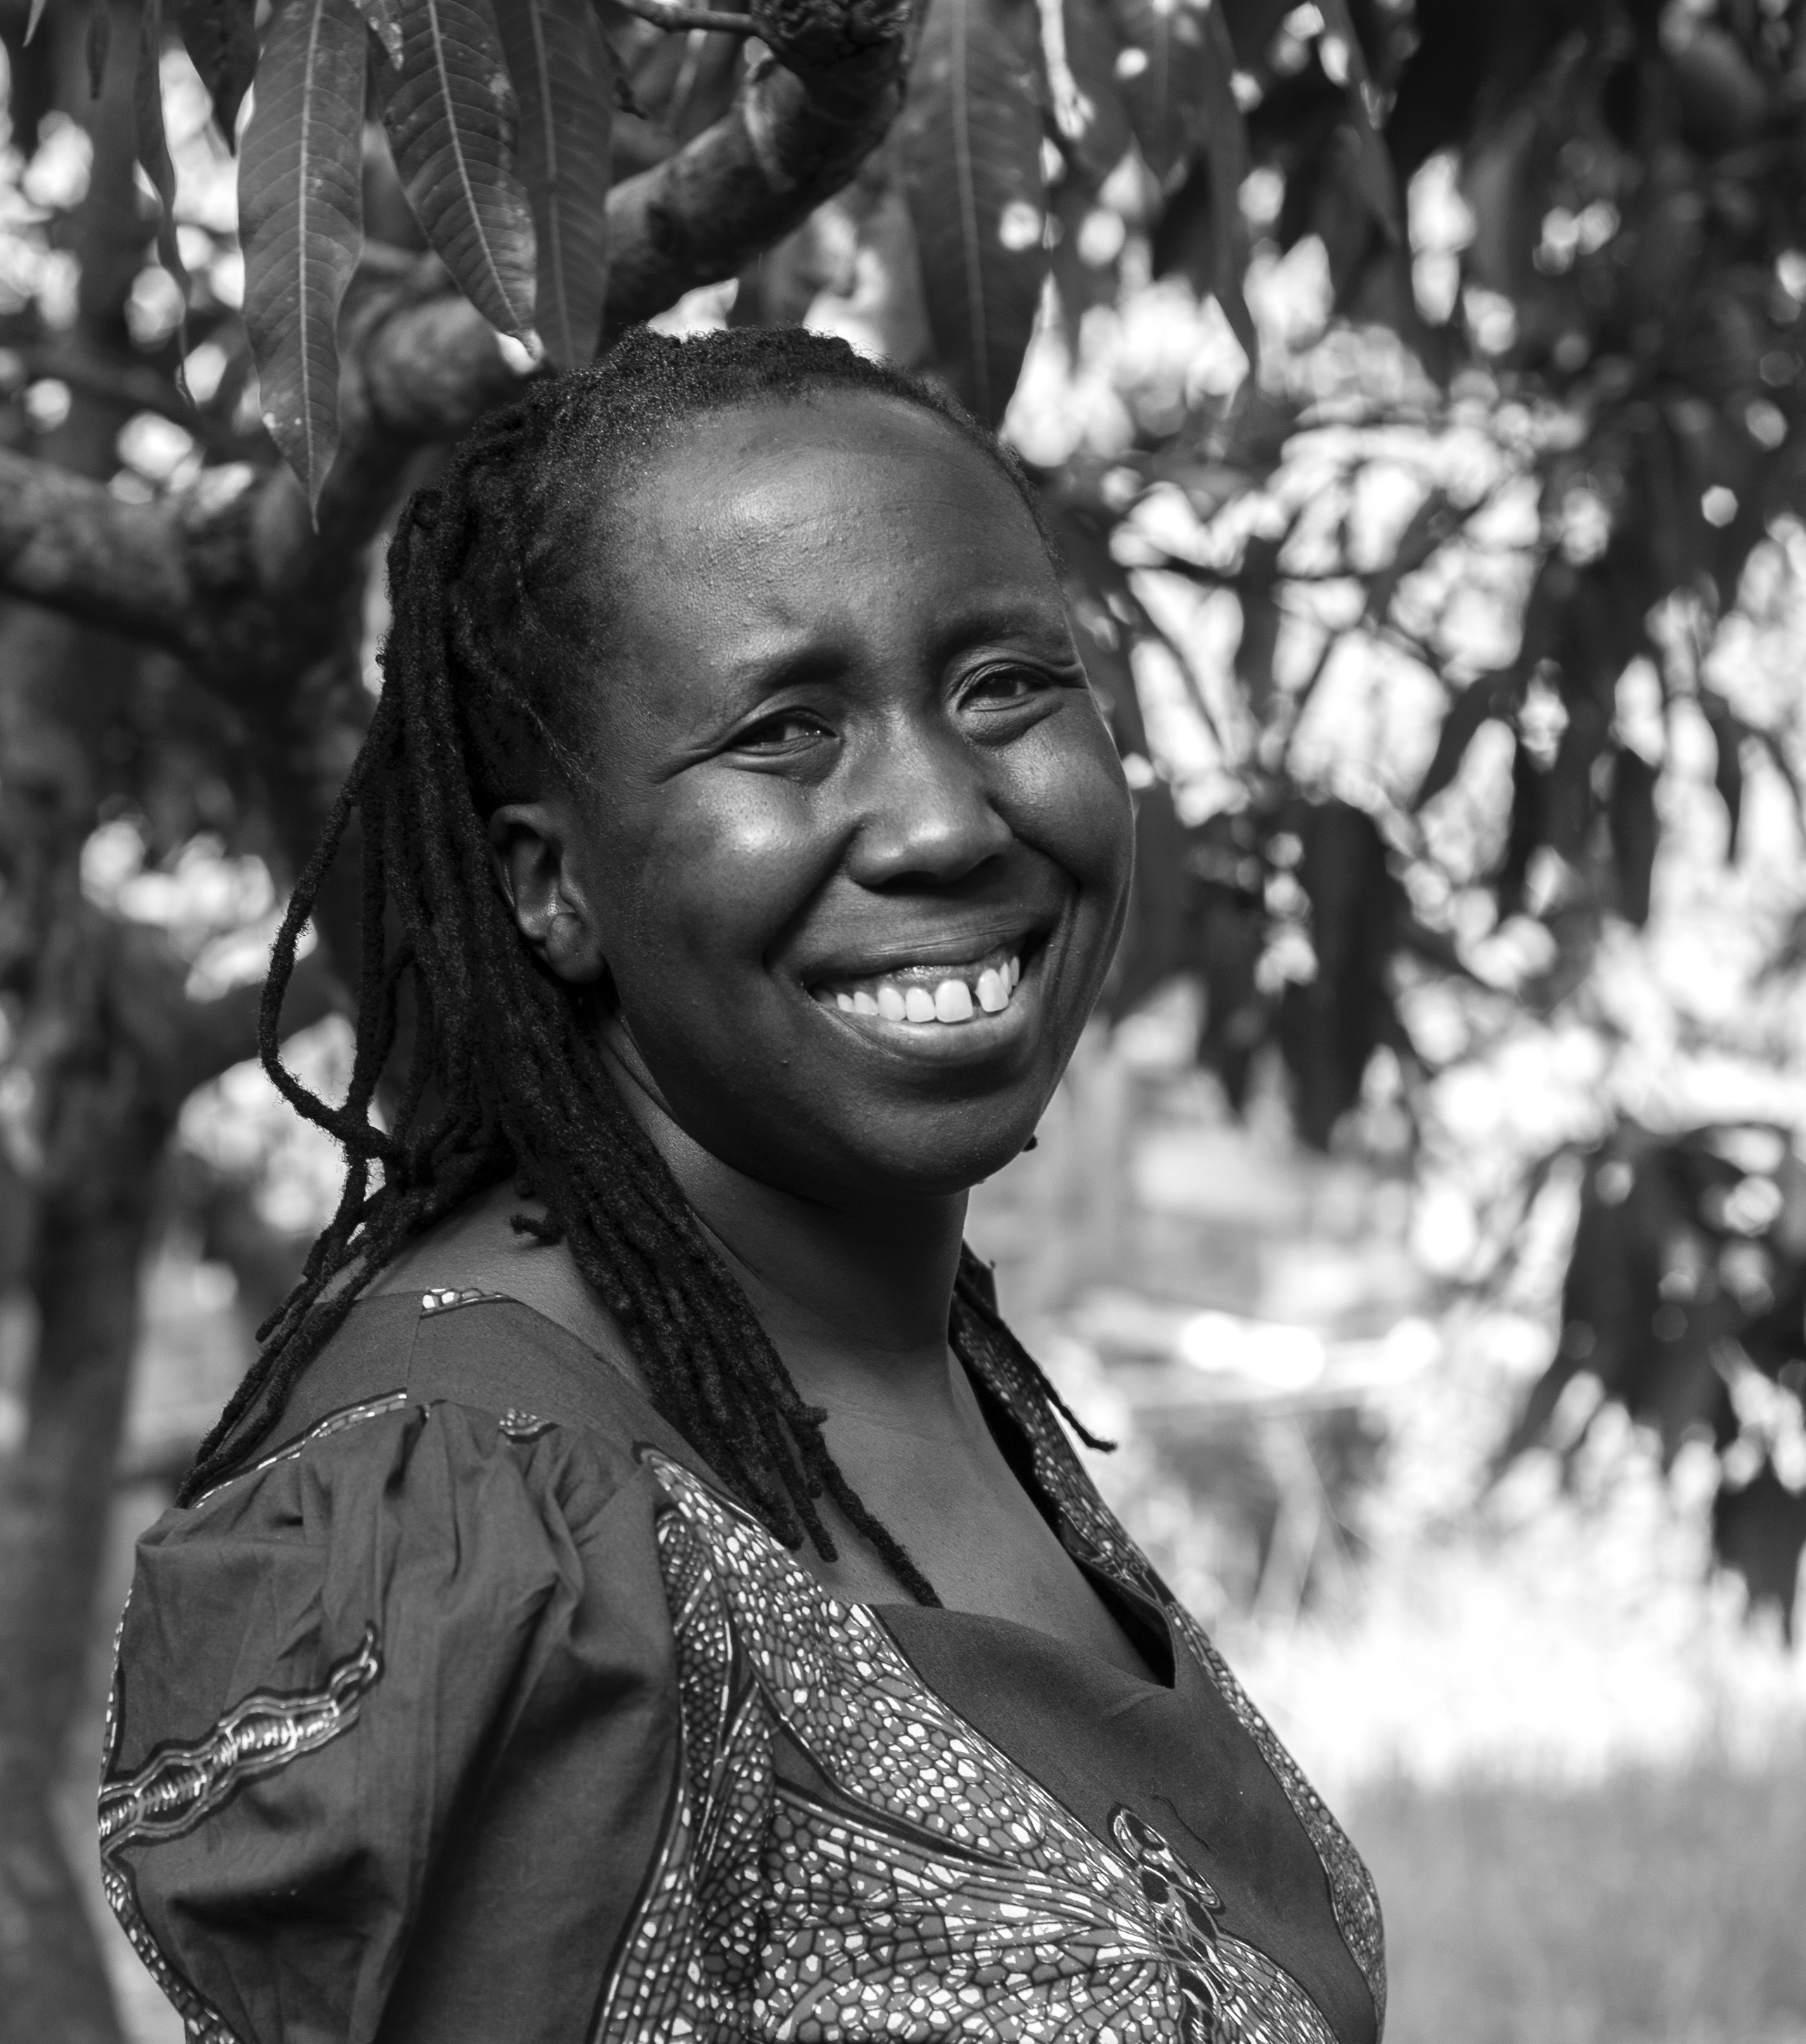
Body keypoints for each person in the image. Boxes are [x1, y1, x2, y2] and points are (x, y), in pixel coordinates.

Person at [99, 326, 1385, 2044]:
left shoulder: (913, 1349)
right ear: (550, 886)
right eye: (785, 731)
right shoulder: (471, 1509)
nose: (939, 818)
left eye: (1004, 685)